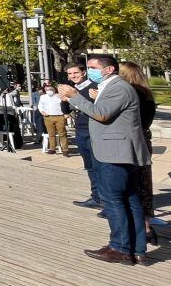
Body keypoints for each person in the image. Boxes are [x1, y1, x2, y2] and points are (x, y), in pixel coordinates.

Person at [58, 54, 151, 265]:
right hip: (115, 151)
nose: (88, 71)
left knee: (114, 199)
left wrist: (75, 96)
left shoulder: (119, 87)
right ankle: (137, 249)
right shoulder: (111, 87)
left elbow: (101, 114)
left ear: (108, 70)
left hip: (115, 153)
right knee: (130, 199)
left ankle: (120, 247)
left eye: (91, 67)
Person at [120, 60, 159, 248]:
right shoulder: (148, 95)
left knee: (131, 184)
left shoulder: (128, 94)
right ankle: (147, 222)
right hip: (145, 139)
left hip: (130, 141)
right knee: (144, 182)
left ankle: (140, 228)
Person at [66, 64, 100, 209]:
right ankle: (96, 197)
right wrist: (64, 100)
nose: (73, 76)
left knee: (98, 166)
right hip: (80, 130)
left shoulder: (94, 87)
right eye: (70, 74)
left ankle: (106, 199)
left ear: (84, 72)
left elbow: (96, 108)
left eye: (76, 72)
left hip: (93, 130)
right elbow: (66, 110)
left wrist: (74, 97)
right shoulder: (71, 89)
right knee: (90, 166)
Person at [37, 83, 69, 156]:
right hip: (48, 117)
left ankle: (65, 149)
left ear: (54, 89)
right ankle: (52, 148)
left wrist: (66, 114)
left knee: (62, 133)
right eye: (47, 90)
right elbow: (40, 105)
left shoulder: (59, 96)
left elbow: (65, 105)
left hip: (59, 116)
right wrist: (42, 111)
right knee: (51, 133)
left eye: (50, 89)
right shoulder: (43, 97)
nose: (49, 91)